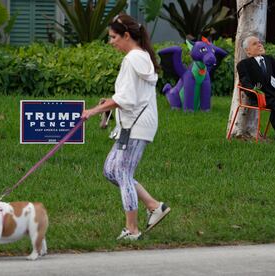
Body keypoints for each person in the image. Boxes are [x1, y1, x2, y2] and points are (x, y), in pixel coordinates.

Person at [81, 13, 170, 240]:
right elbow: (129, 96)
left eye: (113, 37)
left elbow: (126, 99)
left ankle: (132, 230)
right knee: (111, 171)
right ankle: (154, 206)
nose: (111, 42)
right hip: (135, 124)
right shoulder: (139, 57)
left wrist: (92, 111)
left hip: (137, 125)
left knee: (122, 172)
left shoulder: (133, 59)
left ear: (126, 35)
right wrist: (108, 104)